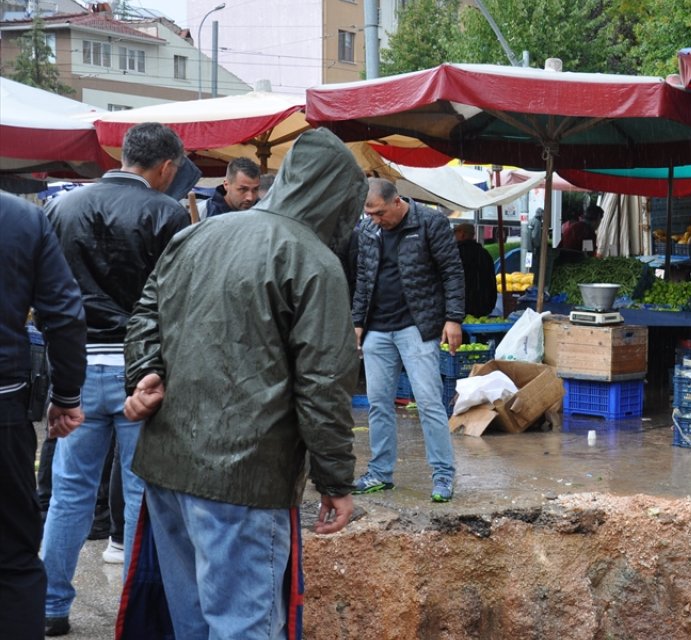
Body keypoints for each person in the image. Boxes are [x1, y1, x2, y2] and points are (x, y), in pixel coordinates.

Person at [120, 128, 363, 638]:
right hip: (244, 479)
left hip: (167, 467)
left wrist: (145, 371)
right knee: (244, 626)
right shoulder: (314, 262)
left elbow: (146, 312)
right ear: (337, 198)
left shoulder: (197, 234)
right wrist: (336, 480)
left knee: (192, 624)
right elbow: (323, 384)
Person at [41, 121, 190, 636]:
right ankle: (137, 612)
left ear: (123, 154)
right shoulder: (167, 212)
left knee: (68, 495)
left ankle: (50, 607)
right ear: (167, 167)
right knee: (142, 498)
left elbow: (50, 297)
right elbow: (175, 301)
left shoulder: (62, 207)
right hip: (139, 373)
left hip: (76, 370)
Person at [0, 193, 86, 640]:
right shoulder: (22, 218)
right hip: (3, 408)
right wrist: (67, 395)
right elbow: (65, 315)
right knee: (13, 555)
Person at [350, 178, 465, 501]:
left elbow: (452, 272)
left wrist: (453, 318)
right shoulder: (368, 231)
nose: (374, 219)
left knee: (429, 403)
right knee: (378, 403)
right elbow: (363, 278)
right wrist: (358, 322)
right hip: (377, 329)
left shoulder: (430, 222)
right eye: (369, 213)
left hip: (419, 326)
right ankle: (380, 473)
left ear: (397, 202)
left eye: (379, 212)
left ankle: (443, 475)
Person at [455, 222, 499, 317]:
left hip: (459, 306)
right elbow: (491, 281)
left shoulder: (455, 254)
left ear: (462, 234)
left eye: (455, 233)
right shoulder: (484, 254)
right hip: (483, 306)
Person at [197, 156, 261, 219]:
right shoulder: (203, 212)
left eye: (255, 189)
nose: (250, 198)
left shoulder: (263, 213)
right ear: (226, 185)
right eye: (243, 189)